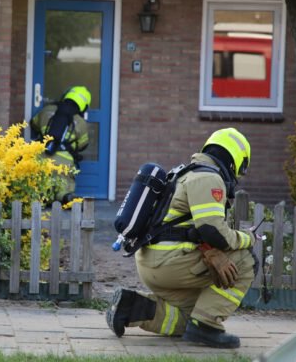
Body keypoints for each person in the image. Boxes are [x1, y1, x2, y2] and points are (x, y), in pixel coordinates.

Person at [106, 127, 257, 349]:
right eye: (240, 171)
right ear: (235, 161)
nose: (238, 178)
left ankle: (130, 308)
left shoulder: (184, 174)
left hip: (152, 262)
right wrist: (248, 238)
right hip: (171, 263)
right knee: (247, 259)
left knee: (191, 317)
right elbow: (213, 231)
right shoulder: (208, 178)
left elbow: (190, 228)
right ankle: (206, 326)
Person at [30, 86, 91, 204]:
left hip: (42, 157)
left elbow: (34, 123)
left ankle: (40, 198)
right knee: (63, 188)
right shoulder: (80, 122)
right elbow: (83, 145)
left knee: (39, 186)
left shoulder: (46, 110)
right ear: (84, 106)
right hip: (64, 162)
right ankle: (66, 197)